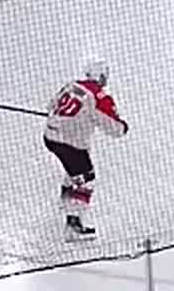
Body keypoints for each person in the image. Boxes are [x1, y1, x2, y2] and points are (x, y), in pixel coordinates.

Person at [44, 61, 129, 240]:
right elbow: (113, 128)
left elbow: (51, 106)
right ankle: (73, 225)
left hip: (50, 136)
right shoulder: (99, 96)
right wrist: (123, 127)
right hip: (70, 142)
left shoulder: (71, 85)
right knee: (87, 178)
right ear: (102, 77)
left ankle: (65, 201)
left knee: (73, 169)